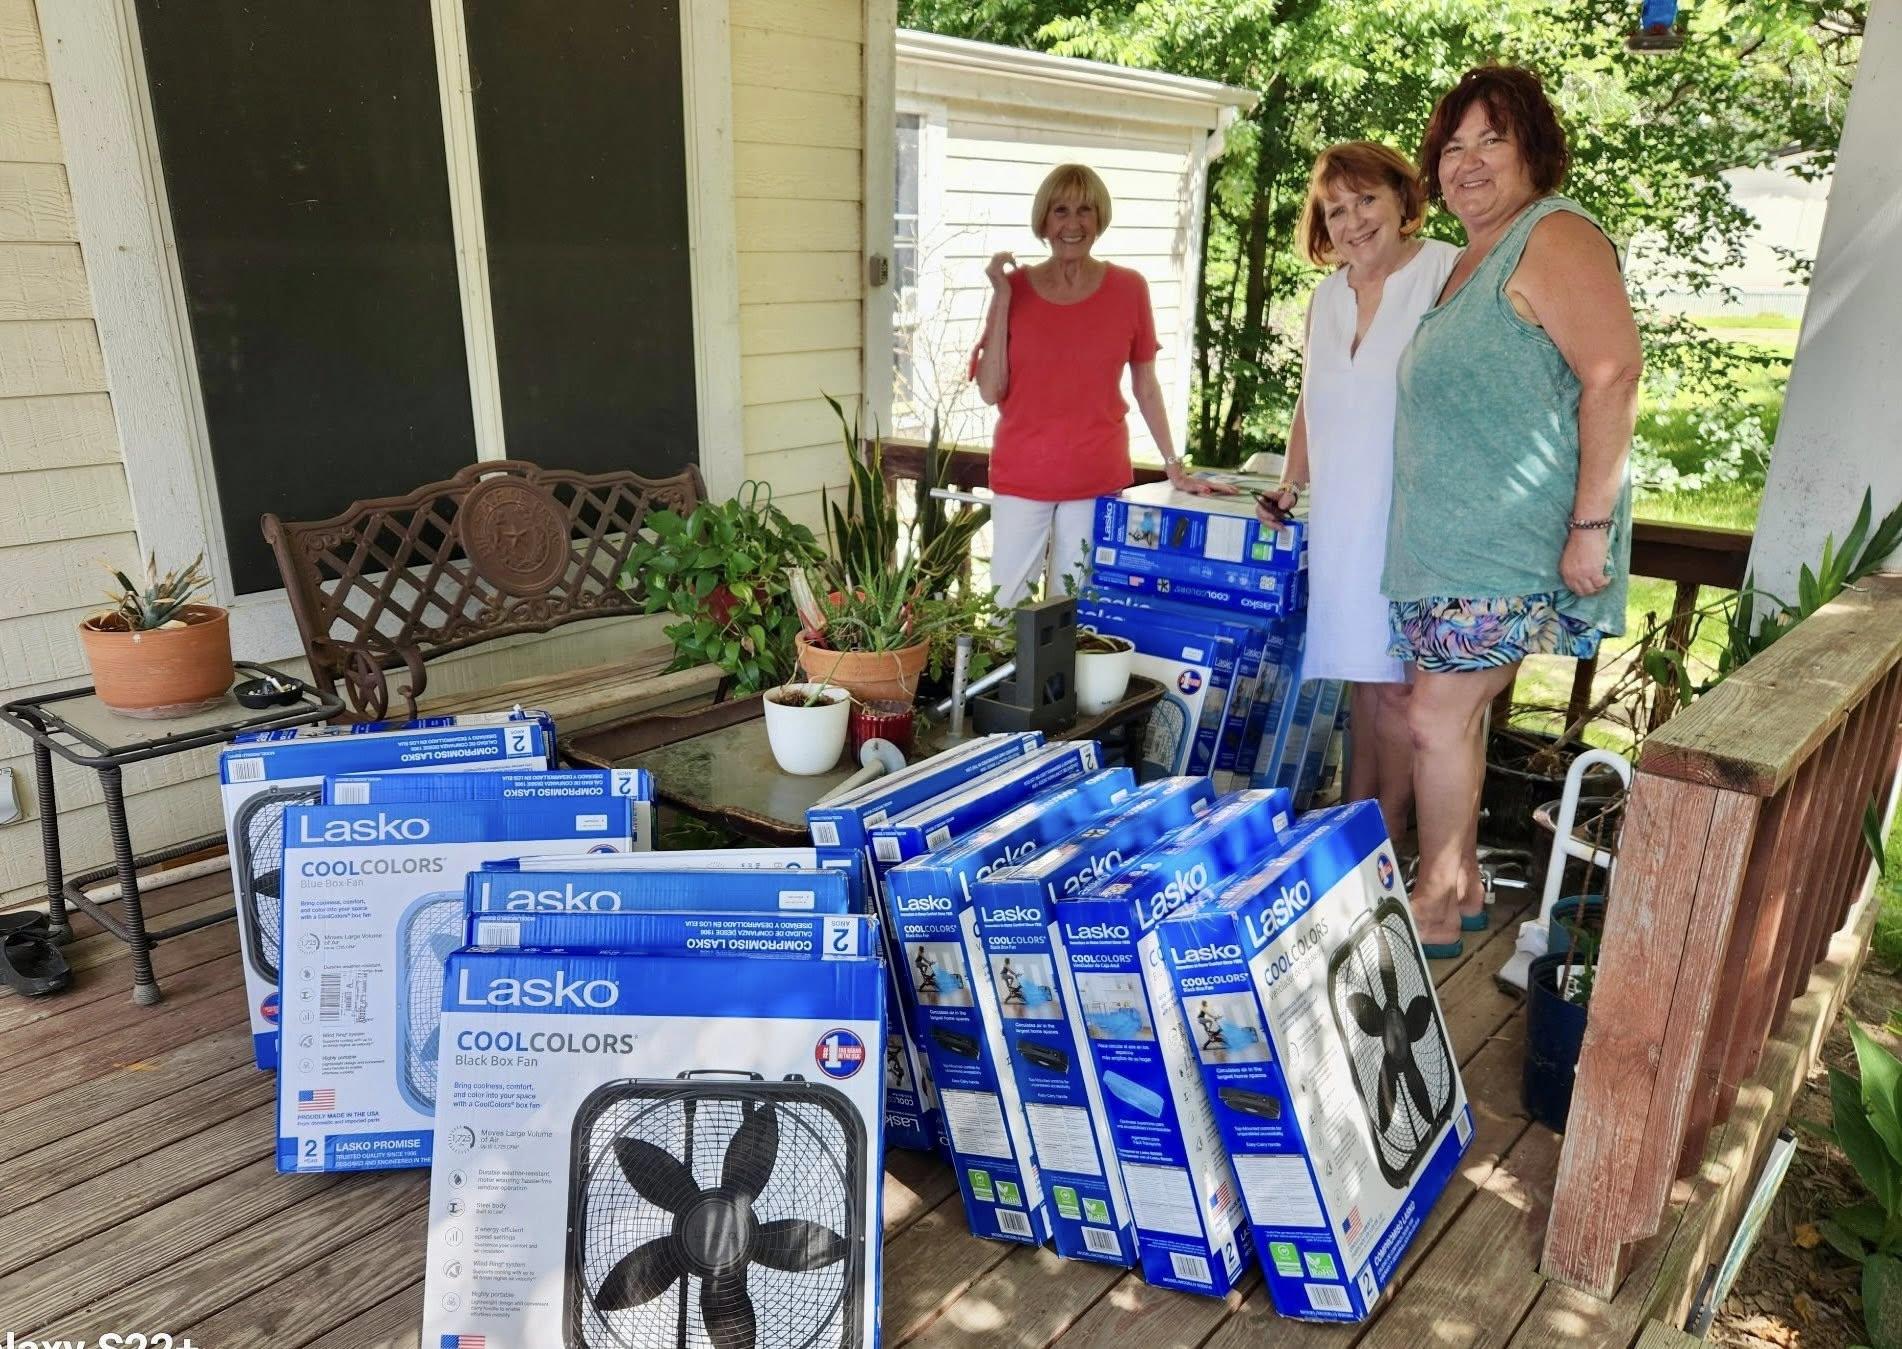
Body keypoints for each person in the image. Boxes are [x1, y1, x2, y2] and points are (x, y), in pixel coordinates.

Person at [1385, 65, 1641, 956]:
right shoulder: (1471, 257)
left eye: (1492, 139)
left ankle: (1433, 901)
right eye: (1453, 147)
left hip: (1502, 548)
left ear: (1535, 148)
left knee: (1435, 717)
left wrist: (1590, 527)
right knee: (1452, 718)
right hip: (1448, 548)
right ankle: (1458, 882)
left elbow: (1613, 373)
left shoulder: (1554, 234)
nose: (1468, 161)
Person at [1257, 142, 1458, 842]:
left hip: (1414, 518)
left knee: (1402, 690)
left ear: (1403, 198)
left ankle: (1389, 836)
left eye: (1366, 199)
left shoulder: (1446, 271)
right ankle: (1355, 826)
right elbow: (1311, 399)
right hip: (1345, 516)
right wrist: (1291, 482)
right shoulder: (1327, 295)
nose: (1353, 221)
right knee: (1366, 686)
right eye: (1335, 210)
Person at [973, 163, 1225, 606]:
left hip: (1094, 474)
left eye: (1084, 210)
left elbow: (1146, 385)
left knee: (1077, 609)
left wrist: (1173, 465)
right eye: (1060, 211)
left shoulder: (1129, 289)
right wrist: (1003, 297)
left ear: (1099, 219)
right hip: (1022, 474)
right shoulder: (1012, 289)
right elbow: (991, 390)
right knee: (1006, 610)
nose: (1073, 224)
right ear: (1044, 221)